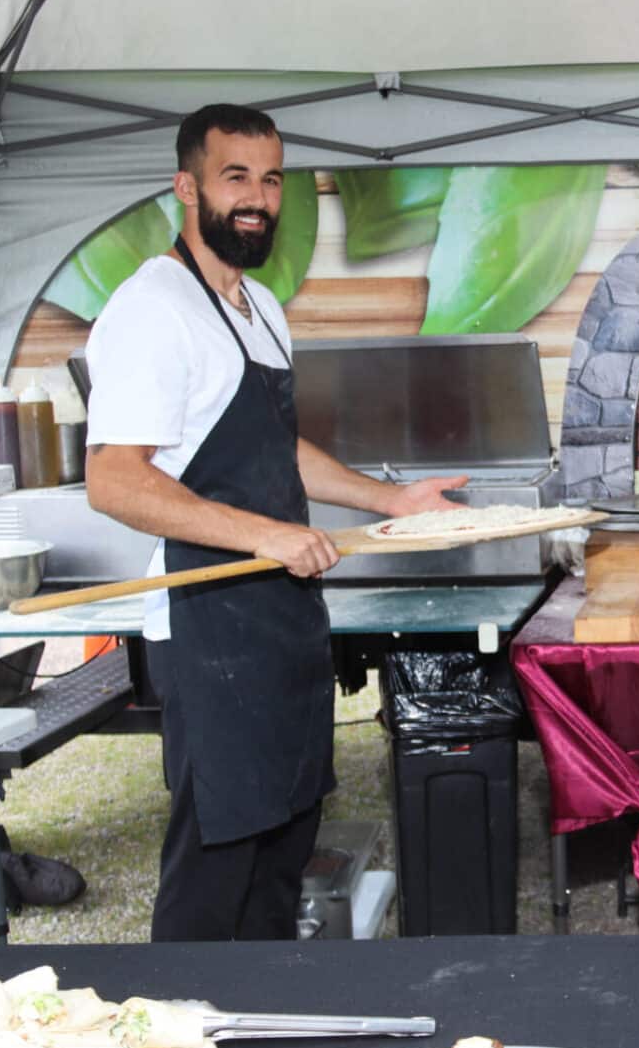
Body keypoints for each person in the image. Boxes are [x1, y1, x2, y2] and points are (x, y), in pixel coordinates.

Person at [85, 104, 463, 941]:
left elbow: (277, 447)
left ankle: (267, 1009)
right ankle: (177, 1018)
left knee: (282, 853)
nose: (257, 198)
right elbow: (113, 480)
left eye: (271, 179)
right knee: (215, 869)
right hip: (208, 624)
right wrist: (265, 534)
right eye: (235, 177)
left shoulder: (258, 304)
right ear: (187, 188)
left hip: (282, 620)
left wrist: (391, 502)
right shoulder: (154, 308)